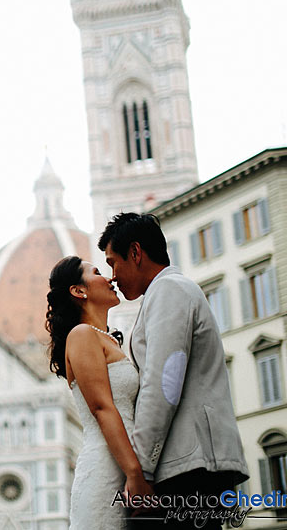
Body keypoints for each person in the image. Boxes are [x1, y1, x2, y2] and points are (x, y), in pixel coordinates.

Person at [98, 213, 248, 529]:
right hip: (189, 464)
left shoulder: (169, 290)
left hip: (186, 467)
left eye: (113, 262)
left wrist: (140, 471)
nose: (113, 275)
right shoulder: (167, 292)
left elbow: (164, 382)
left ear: (136, 253)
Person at [47, 255, 153, 530]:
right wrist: (134, 474)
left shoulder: (111, 339)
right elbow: (102, 408)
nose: (110, 278)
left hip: (128, 464)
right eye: (97, 272)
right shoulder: (82, 334)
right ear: (78, 291)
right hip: (107, 471)